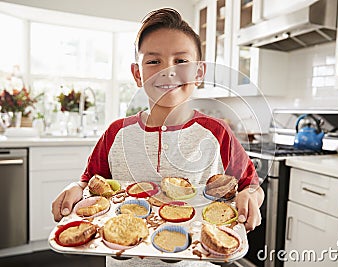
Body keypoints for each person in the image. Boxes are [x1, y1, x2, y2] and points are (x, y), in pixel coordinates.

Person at [52, 8, 264, 267]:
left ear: (199, 73)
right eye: (154, 61)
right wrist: (73, 188)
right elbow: (88, 184)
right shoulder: (116, 133)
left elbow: (250, 185)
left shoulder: (217, 133)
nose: (168, 72)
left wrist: (251, 197)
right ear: (137, 74)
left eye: (181, 61)